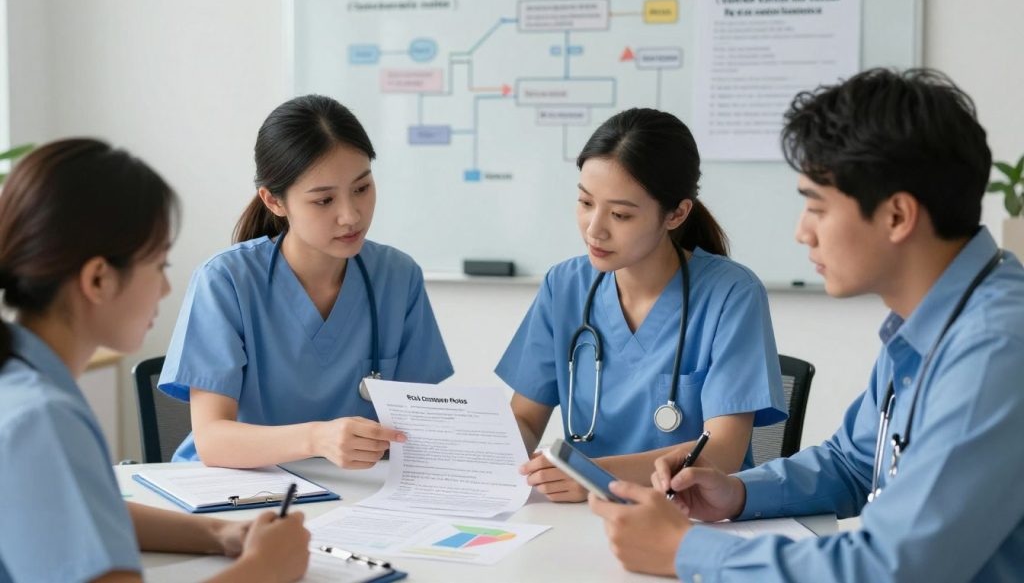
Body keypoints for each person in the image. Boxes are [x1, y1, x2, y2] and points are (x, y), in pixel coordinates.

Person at [589, 68, 1024, 582]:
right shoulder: (929, 321)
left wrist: (686, 552)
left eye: (817, 206)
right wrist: (739, 492)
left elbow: (892, 567)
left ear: (897, 216)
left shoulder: (995, 348)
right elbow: (853, 463)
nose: (802, 232)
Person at [0, 139, 310, 583]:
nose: (166, 290)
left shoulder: (19, 383)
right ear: (99, 279)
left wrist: (222, 533)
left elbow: (83, 512)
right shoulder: (42, 420)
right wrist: (264, 570)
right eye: (160, 265)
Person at [496, 108, 787, 502]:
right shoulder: (563, 285)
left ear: (676, 213)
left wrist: (593, 475)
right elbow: (526, 418)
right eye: (585, 202)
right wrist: (483, 453)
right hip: (581, 517)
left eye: (620, 214)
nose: (594, 228)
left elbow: (722, 452)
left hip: (691, 515)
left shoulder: (732, 294)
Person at [159, 95, 454, 468]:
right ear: (274, 201)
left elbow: (417, 424)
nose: (350, 216)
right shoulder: (226, 281)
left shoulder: (397, 277)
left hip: (353, 494)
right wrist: (319, 438)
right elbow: (213, 441)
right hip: (239, 493)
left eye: (362, 189)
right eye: (324, 200)